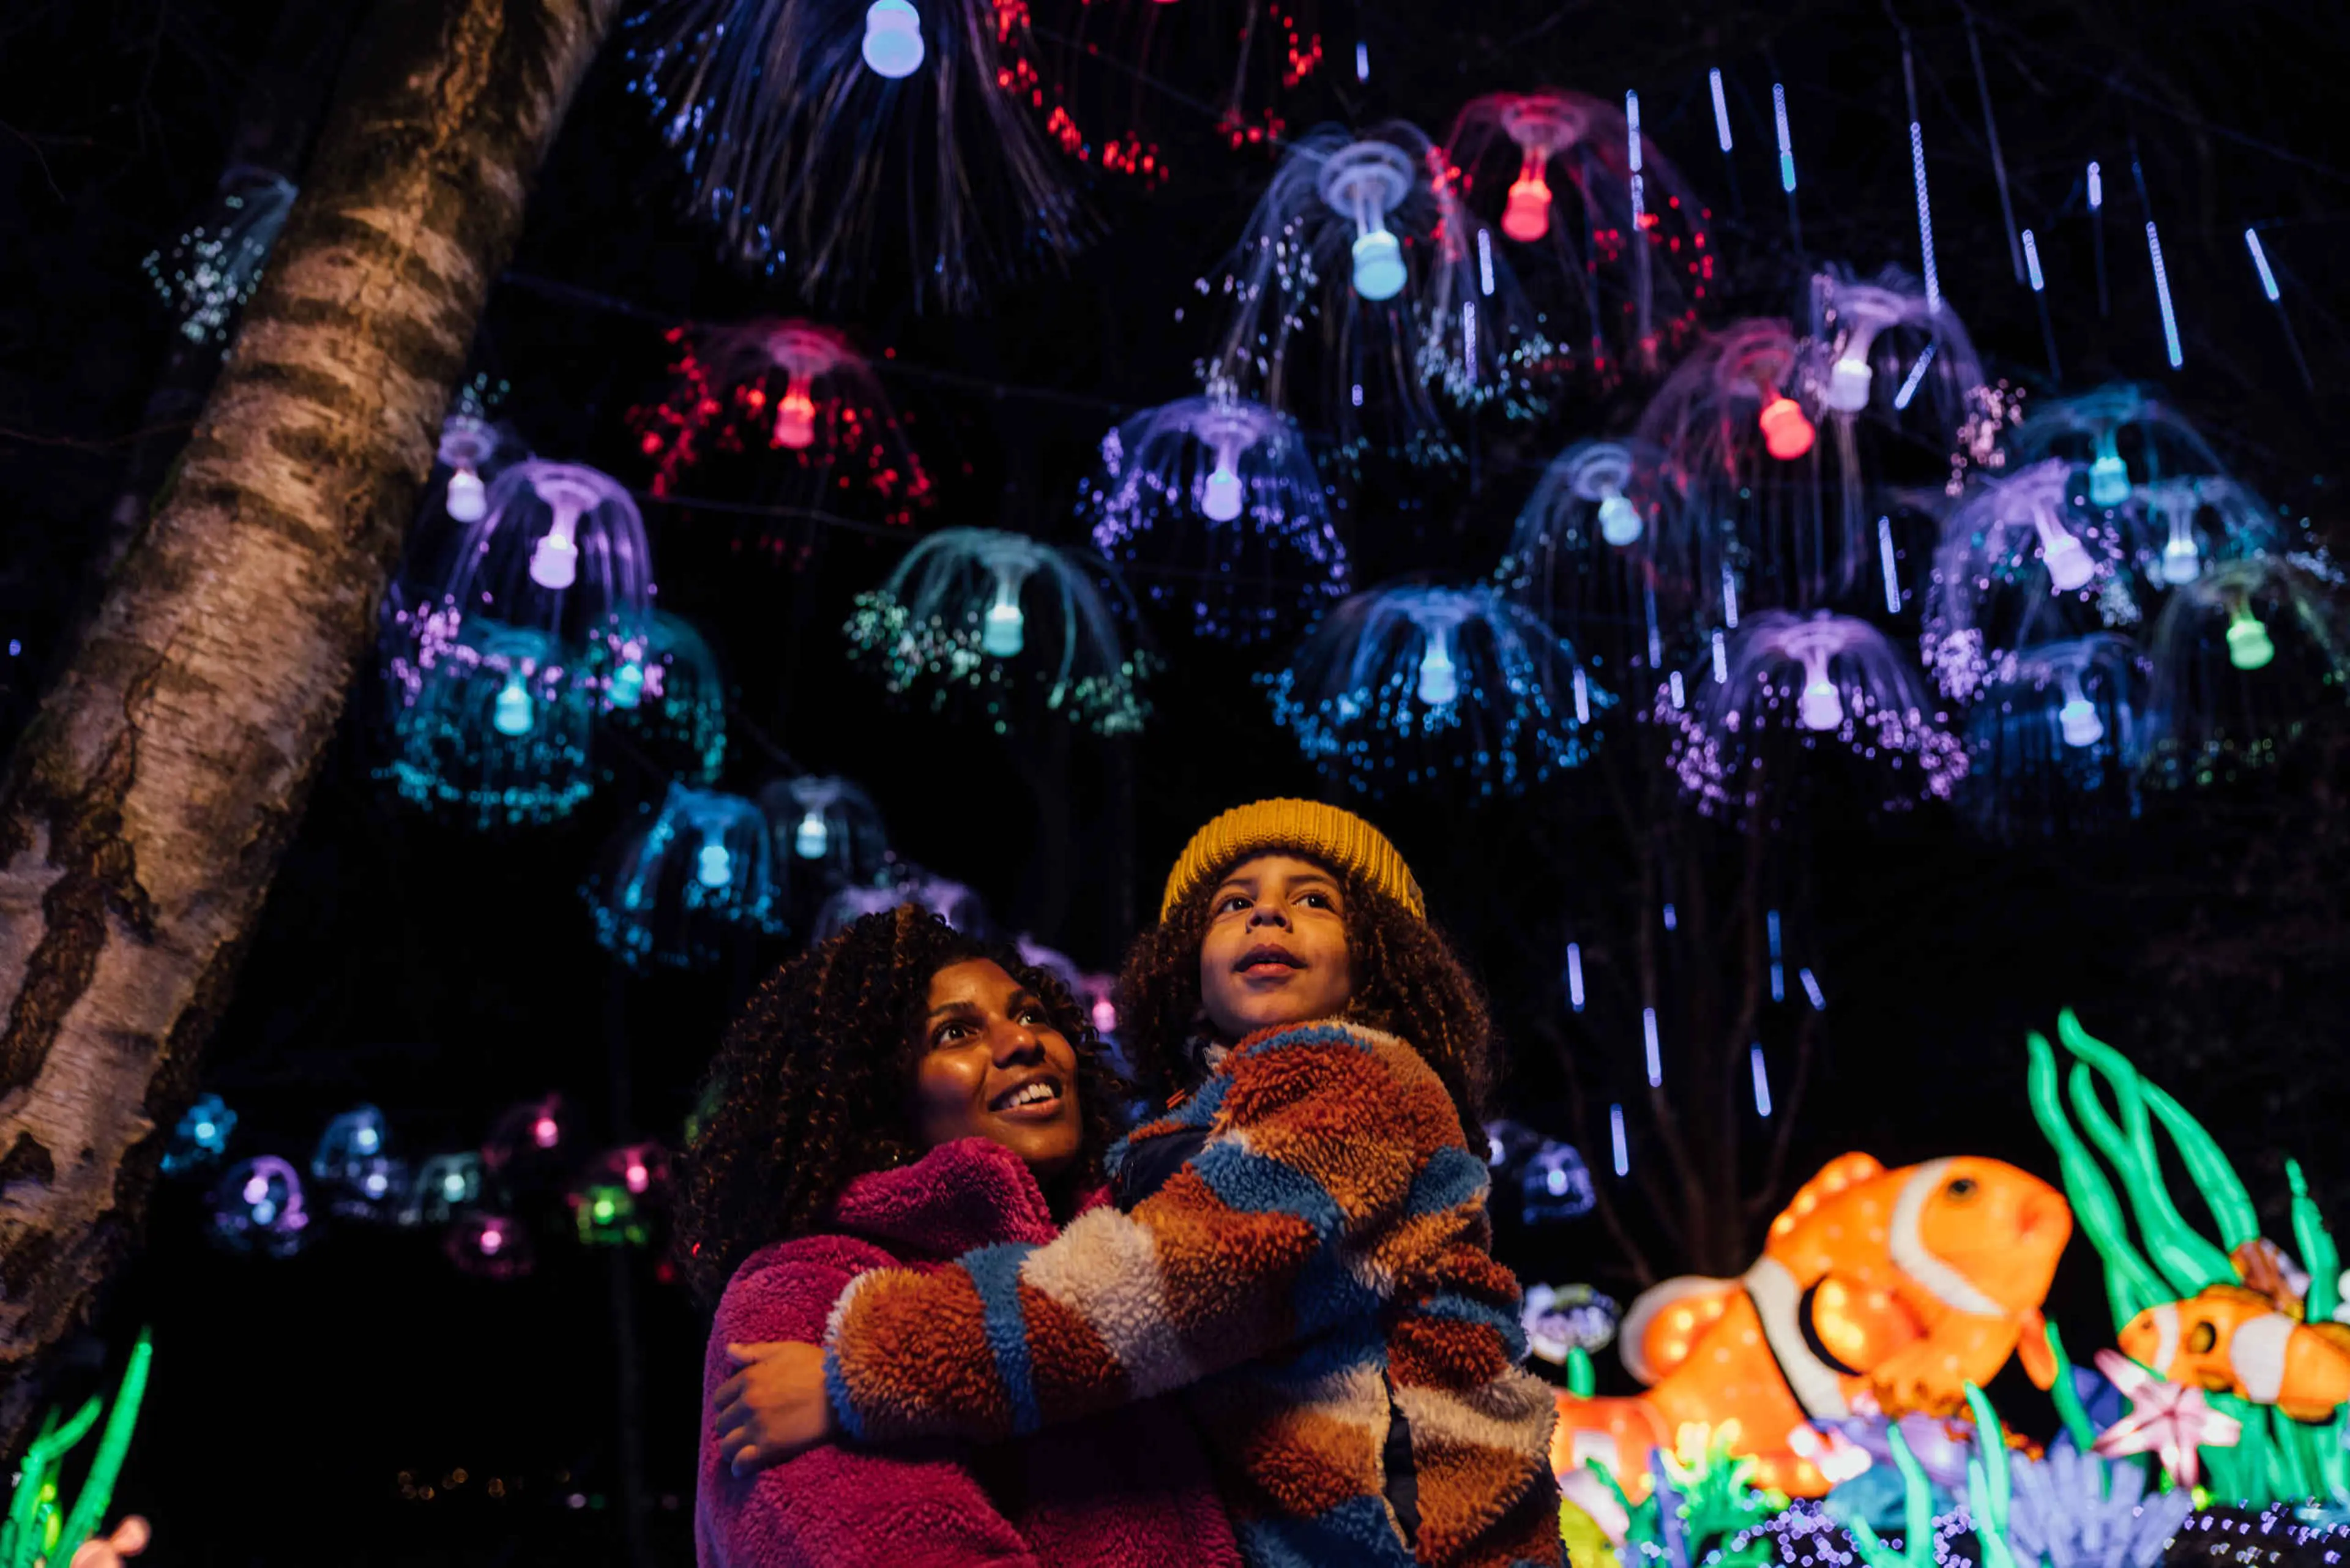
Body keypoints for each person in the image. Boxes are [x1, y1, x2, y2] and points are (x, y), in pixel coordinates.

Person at [725, 801, 1564, 1567]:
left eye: (1314, 899)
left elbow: (1168, 1283)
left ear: (1379, 958)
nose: (1266, 911)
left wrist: (860, 1369)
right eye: (1232, 903)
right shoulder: (810, 1281)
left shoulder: (1357, 1082)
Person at [678, 905, 1240, 1568]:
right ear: (877, 1092)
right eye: (955, 1033)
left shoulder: (1123, 1250)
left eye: (1031, 1015)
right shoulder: (802, 1295)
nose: (1022, 1042)